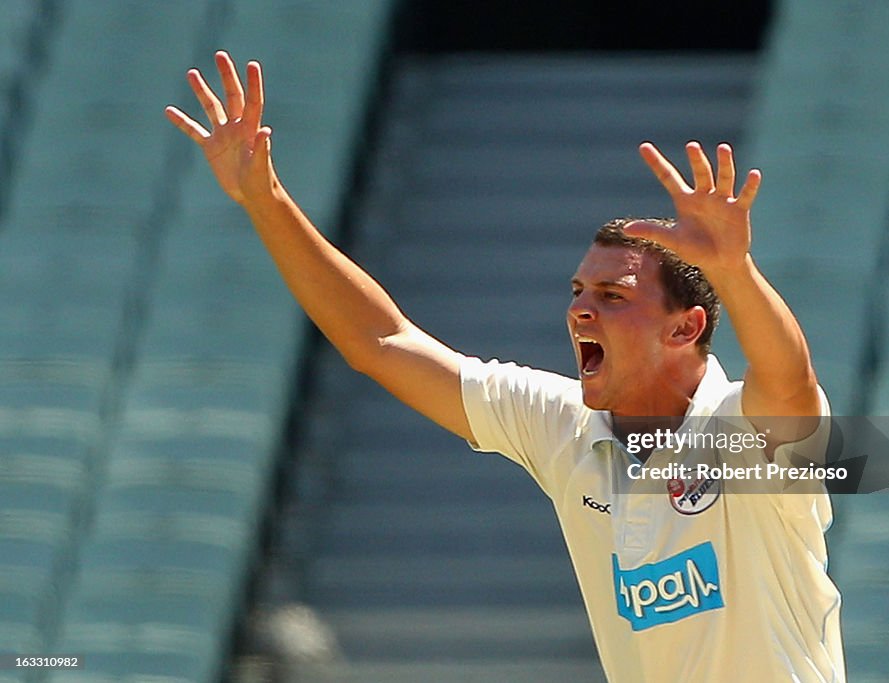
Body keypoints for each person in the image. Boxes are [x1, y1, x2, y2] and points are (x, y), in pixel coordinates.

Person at [166, 51, 845, 682]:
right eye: (577, 292)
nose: (581, 310)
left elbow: (790, 378)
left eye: (612, 297)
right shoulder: (563, 427)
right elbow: (380, 341)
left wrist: (736, 271)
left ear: (686, 326)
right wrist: (265, 199)